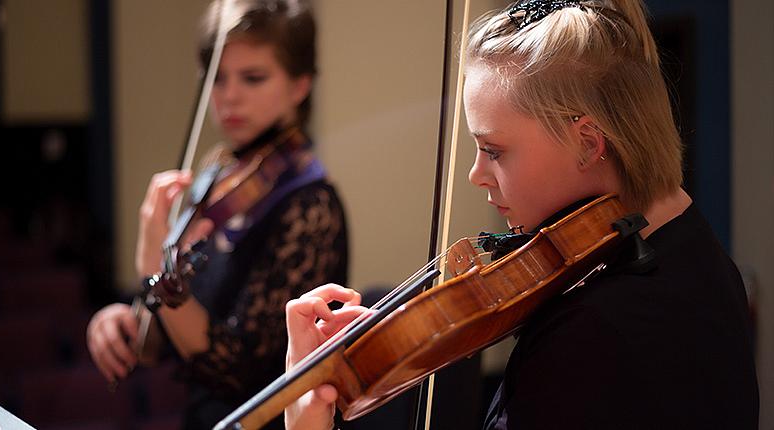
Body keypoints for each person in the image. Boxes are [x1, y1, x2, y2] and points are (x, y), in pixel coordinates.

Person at [283, 0, 758, 429]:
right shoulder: (697, 254)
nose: (476, 174)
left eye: (493, 150)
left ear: (588, 142)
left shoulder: (593, 334)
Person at [86, 1, 348, 429]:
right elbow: (163, 340)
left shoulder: (310, 207)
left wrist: (155, 271)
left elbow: (242, 374)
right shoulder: (218, 172)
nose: (229, 95)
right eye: (218, 78)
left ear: (300, 86)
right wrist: (126, 320)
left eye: (253, 78)